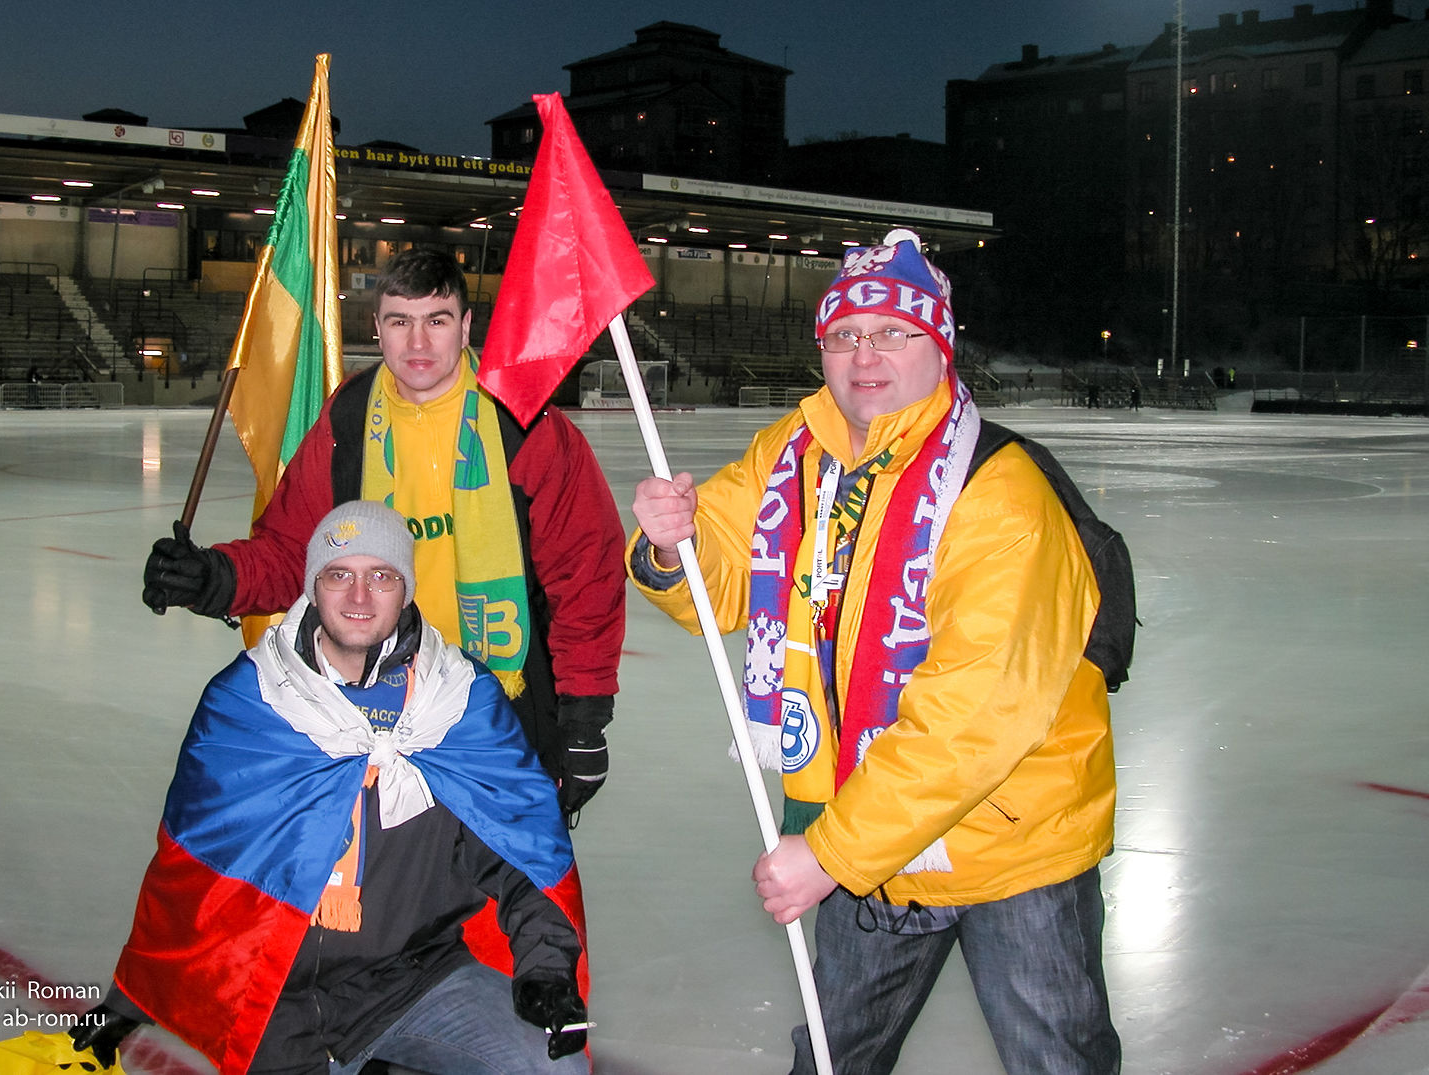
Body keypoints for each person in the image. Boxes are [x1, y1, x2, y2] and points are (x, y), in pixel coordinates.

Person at [628, 229, 1119, 1075]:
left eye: (893, 332)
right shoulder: (794, 452)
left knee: (1057, 1062)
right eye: (846, 334)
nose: (865, 355)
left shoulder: (1000, 497)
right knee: (831, 1059)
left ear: (940, 344)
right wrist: (674, 546)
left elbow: (972, 719)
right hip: (868, 834)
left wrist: (828, 854)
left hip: (1010, 844)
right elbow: (726, 578)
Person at [73, 501, 590, 1075]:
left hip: (411, 980)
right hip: (274, 1003)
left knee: (555, 1069)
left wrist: (546, 970)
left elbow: (520, 854)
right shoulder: (249, 700)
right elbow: (193, 874)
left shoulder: (459, 703)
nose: (359, 596)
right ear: (313, 586)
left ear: (406, 589)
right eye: (339, 574)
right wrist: (128, 1001)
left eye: (382, 576)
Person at [141, 248, 626, 821]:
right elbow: (297, 551)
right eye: (400, 321)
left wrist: (584, 719)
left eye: (436, 320)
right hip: (372, 705)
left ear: (466, 325)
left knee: (499, 873)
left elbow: (585, 577)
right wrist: (214, 577)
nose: (418, 342)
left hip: (499, 706)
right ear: (376, 327)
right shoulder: (348, 419)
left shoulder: (524, 421)